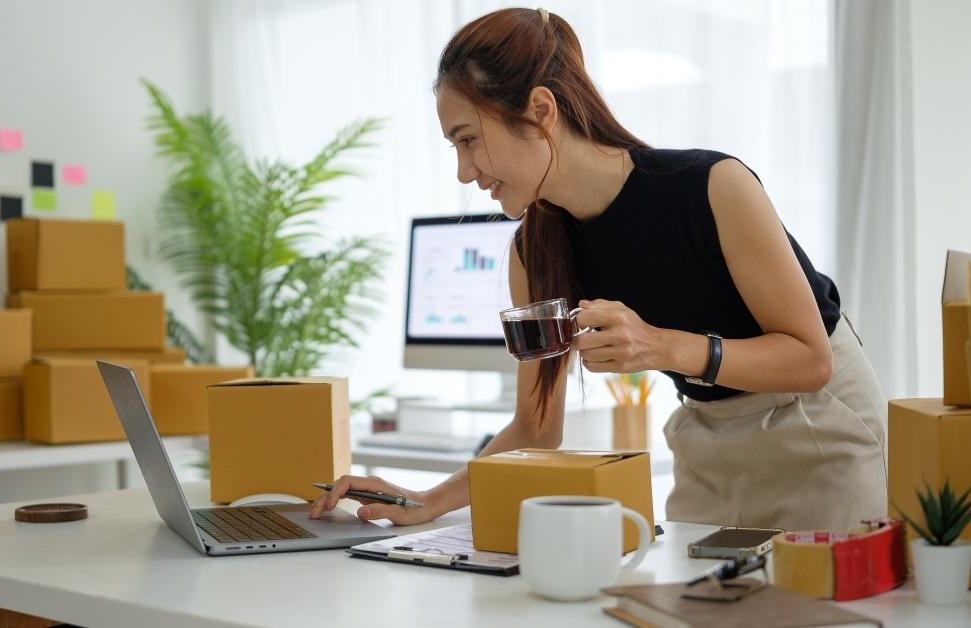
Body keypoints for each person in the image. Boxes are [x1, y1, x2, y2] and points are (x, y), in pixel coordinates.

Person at [309, 7, 886, 531]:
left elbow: (811, 359)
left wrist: (662, 347)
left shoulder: (712, 187)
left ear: (539, 111)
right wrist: (426, 500)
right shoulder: (534, 253)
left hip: (815, 424)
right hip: (711, 444)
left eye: (468, 139)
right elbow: (537, 429)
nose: (463, 171)